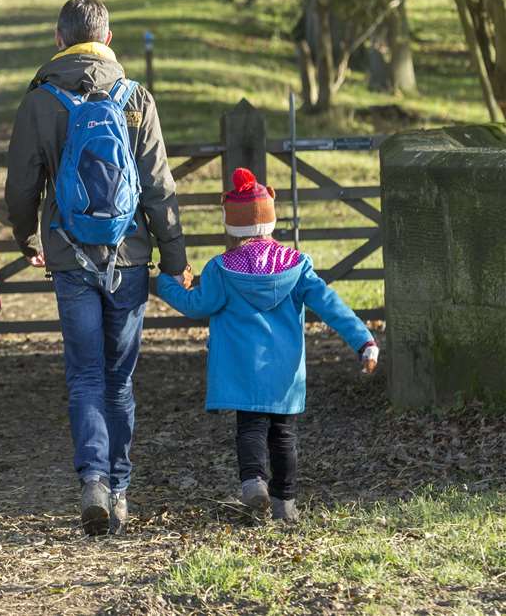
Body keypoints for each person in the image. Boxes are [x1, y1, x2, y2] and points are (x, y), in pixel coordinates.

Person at [4, 0, 191, 535]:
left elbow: (22, 185)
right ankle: (122, 486)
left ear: (59, 40)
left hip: (69, 253)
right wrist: (173, 256)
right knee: (119, 379)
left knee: (84, 374)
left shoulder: (41, 99)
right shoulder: (136, 98)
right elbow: (158, 186)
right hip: (128, 256)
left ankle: (92, 480)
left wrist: (26, 236)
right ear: (107, 40)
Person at [155, 167, 379, 522]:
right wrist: (363, 340)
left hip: (243, 369)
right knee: (284, 436)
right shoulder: (298, 266)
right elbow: (331, 305)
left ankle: (253, 484)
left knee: (251, 428)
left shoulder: (221, 269)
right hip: (285, 372)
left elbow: (197, 305)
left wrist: (167, 284)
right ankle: (285, 504)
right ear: (271, 221)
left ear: (232, 225)